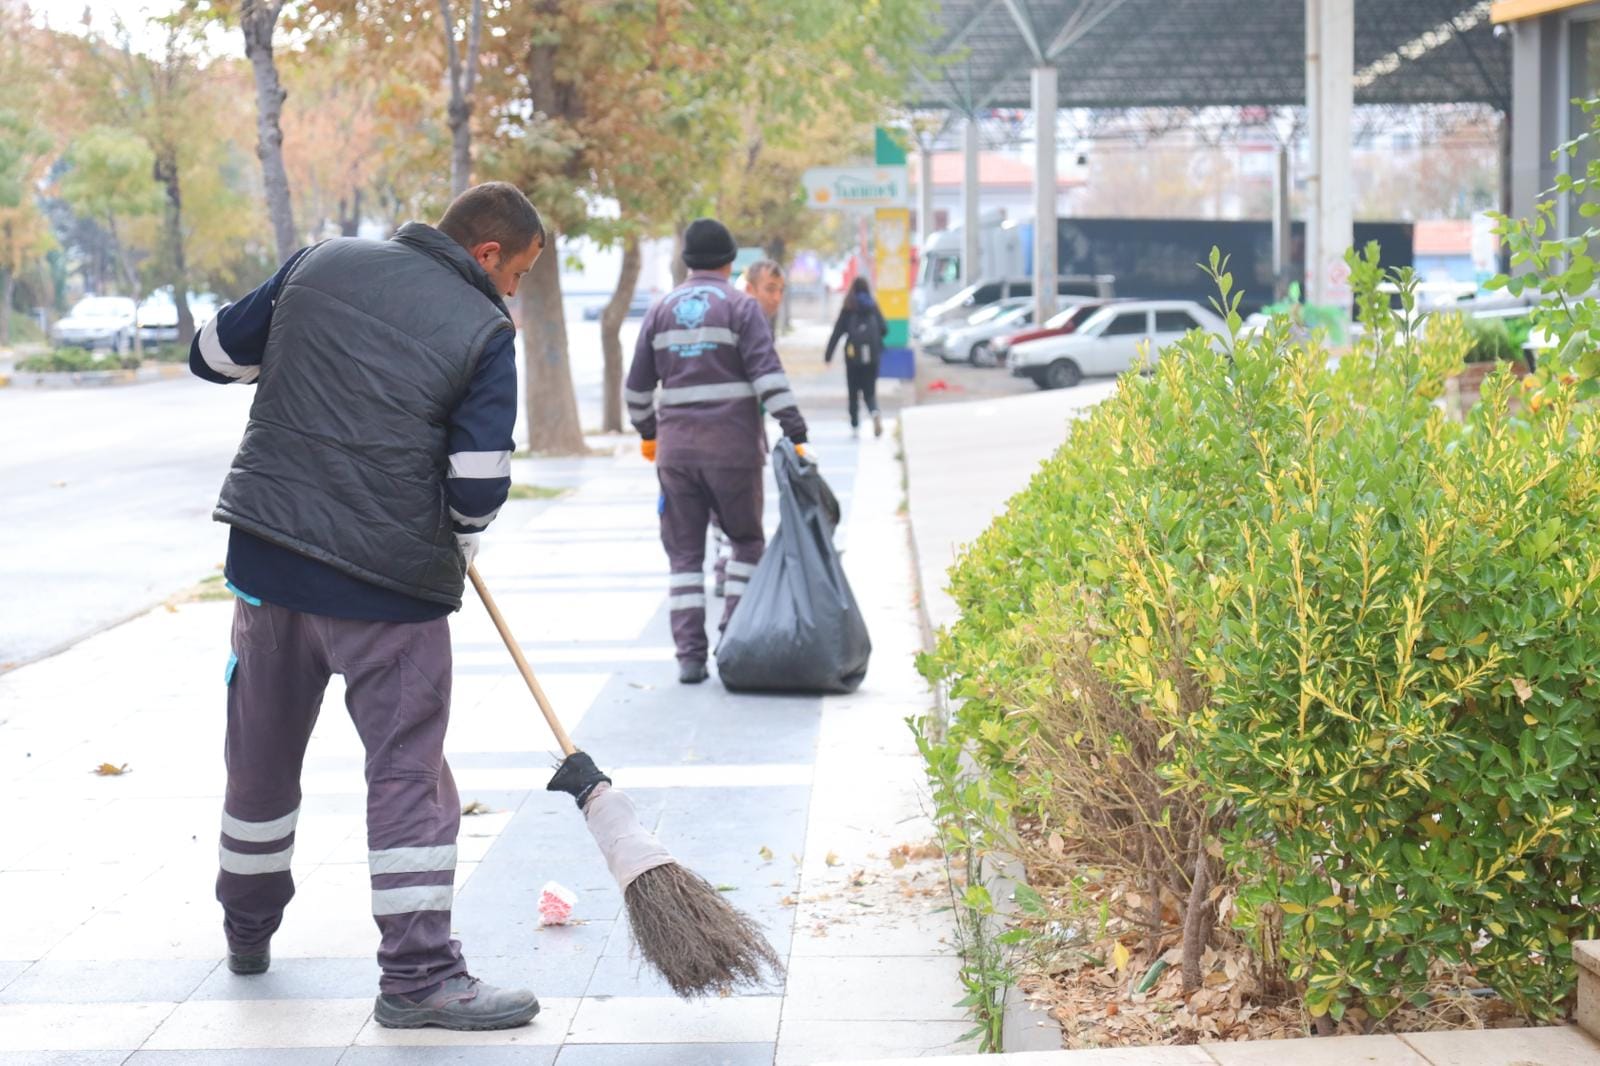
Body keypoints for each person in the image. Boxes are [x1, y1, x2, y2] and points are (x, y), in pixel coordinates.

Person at [190, 182, 553, 1031]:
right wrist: (459, 541)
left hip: (268, 565)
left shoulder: (322, 262)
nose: (515, 294)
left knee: (261, 757)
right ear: (489, 253)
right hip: (387, 590)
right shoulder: (483, 331)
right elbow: (477, 484)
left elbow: (212, 354)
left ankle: (247, 929)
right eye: (521, 274)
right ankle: (420, 977)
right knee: (406, 774)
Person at [626, 221, 808, 684]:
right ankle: (732, 638)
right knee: (745, 541)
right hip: (733, 451)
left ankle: (689, 657)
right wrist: (796, 429)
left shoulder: (661, 310)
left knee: (685, 557)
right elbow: (769, 378)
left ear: (687, 261)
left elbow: (636, 390)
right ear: (730, 262)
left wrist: (650, 432)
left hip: (677, 455)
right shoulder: (741, 307)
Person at [708, 258, 787, 598]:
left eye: (781, 291)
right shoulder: (741, 317)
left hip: (729, 434)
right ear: (750, 287)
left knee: (722, 512)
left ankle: (722, 563)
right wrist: (795, 430)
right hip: (728, 436)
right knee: (738, 524)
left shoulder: (750, 319)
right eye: (770, 289)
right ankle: (727, 573)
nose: (776, 298)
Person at [825, 275, 888, 437]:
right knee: (870, 390)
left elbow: (837, 332)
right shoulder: (872, 305)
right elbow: (884, 328)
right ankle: (874, 411)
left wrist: (828, 355)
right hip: (872, 356)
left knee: (853, 392)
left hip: (853, 356)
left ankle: (854, 425)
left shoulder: (848, 306)